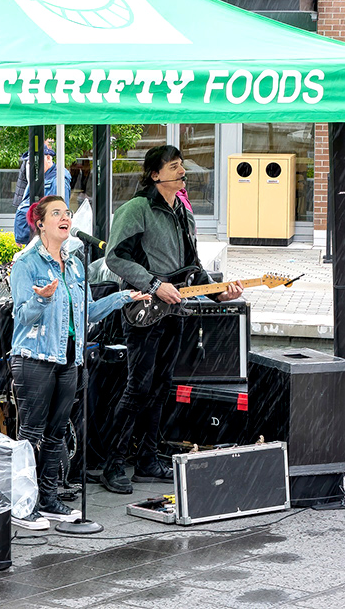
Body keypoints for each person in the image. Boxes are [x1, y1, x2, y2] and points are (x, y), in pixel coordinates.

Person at [100, 146, 243, 494]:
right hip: (143, 309)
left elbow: (194, 267)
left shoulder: (184, 212)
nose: (182, 172)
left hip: (175, 310)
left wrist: (219, 294)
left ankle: (147, 460)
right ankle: (113, 464)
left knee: (161, 386)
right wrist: (154, 285)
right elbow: (115, 258)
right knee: (138, 387)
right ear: (154, 175)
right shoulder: (136, 209)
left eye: (182, 166)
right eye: (175, 167)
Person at [9, 195, 149, 529]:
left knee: (57, 433)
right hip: (34, 357)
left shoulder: (73, 264)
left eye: (67, 213)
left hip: (69, 357)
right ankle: (23, 505)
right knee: (31, 434)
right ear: (40, 223)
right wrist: (42, 300)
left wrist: (122, 297)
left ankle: (48, 499)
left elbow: (89, 313)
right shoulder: (26, 262)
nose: (65, 218)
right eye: (56, 213)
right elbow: (21, 316)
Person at [14, 149, 71, 245]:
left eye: (36, 161)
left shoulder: (57, 181)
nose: (32, 166)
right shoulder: (40, 178)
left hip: (43, 241)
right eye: (30, 162)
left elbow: (59, 215)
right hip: (34, 237)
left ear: (48, 158)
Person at [12, 138, 55, 208]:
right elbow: (25, 183)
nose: (51, 145)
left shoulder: (56, 175)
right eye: (49, 142)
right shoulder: (28, 163)